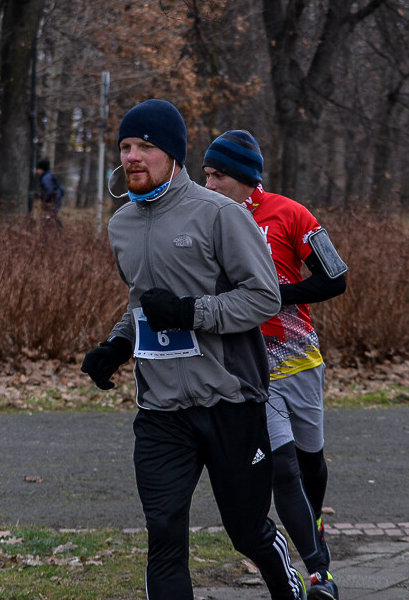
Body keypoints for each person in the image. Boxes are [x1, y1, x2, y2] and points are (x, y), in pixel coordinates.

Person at [81, 100, 307, 600]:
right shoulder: (122, 225)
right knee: (164, 538)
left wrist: (191, 313)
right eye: (125, 147)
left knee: (247, 531)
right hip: (162, 410)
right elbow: (144, 301)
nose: (133, 156)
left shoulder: (218, 214)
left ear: (174, 155)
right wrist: (117, 344)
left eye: (146, 146)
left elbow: (264, 297)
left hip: (230, 400)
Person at [203, 130, 348, 600]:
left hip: (299, 357)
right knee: (282, 466)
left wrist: (274, 297)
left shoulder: (291, 214)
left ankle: (315, 522)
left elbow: (336, 278)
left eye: (218, 175)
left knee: (310, 462)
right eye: (205, 174)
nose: (208, 184)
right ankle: (319, 573)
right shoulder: (205, 219)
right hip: (248, 362)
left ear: (244, 178)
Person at [35, 158, 64, 227]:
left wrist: (43, 197)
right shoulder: (49, 176)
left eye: (38, 169)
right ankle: (59, 233)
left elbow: (49, 190)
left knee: (49, 218)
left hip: (51, 202)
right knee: (52, 217)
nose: (37, 171)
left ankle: (57, 233)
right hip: (55, 200)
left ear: (41, 169)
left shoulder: (46, 178)